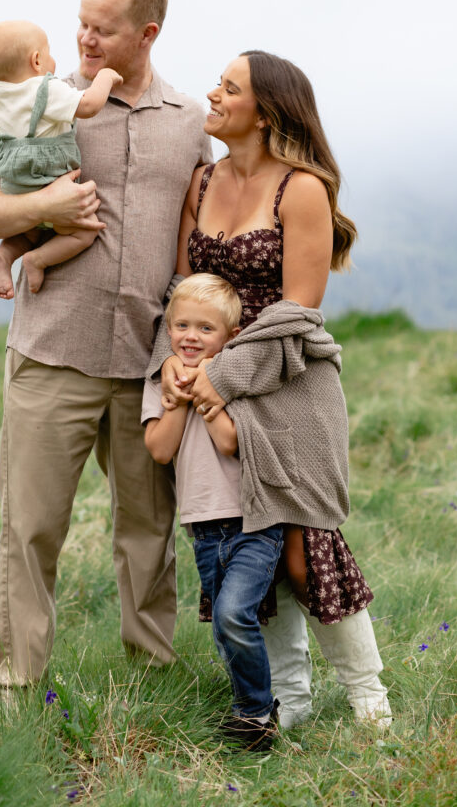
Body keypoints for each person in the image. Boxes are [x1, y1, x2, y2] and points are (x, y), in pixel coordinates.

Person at [0, 0, 211, 694]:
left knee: (147, 534)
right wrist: (43, 212)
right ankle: (13, 688)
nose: (85, 39)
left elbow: (197, 236)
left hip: (146, 362)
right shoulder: (42, 101)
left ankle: (152, 684)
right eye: (81, 23)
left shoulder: (190, 122)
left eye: (103, 29)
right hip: (51, 353)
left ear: (147, 33)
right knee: (30, 530)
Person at [157, 51, 391, 727]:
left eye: (228, 88)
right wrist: (172, 364)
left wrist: (214, 379)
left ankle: (369, 703)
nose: (213, 93)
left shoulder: (302, 189)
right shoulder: (199, 184)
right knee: (246, 538)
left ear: (264, 112)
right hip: (212, 384)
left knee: (304, 548)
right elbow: (180, 293)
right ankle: (289, 699)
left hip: (288, 384)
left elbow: (296, 313)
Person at [143, 273, 284, 751]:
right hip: (203, 527)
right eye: (182, 325)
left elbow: (228, 441)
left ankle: (256, 711)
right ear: (168, 329)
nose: (191, 337)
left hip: (254, 524)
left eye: (206, 329)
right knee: (226, 628)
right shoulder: (161, 383)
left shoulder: (232, 380)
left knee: (231, 615)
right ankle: (257, 712)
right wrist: (178, 400)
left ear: (230, 337)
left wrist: (202, 392)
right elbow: (160, 449)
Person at [0, 19, 124, 298]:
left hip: (13, 184)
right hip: (47, 180)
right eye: (48, 53)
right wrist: (105, 77)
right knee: (84, 232)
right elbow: (90, 105)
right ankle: (38, 259)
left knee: (28, 232)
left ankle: (3, 257)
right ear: (36, 61)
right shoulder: (46, 89)